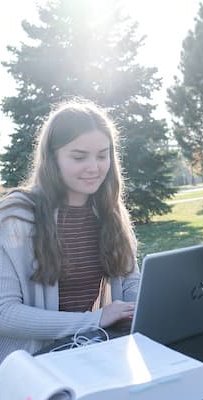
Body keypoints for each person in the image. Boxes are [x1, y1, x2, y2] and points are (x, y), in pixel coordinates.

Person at [0, 100, 140, 363]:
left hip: (101, 351)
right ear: (52, 158)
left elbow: (131, 282)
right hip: (36, 365)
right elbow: (4, 313)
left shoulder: (109, 210)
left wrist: (138, 309)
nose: (94, 167)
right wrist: (95, 320)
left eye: (102, 155)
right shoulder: (15, 215)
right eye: (79, 157)